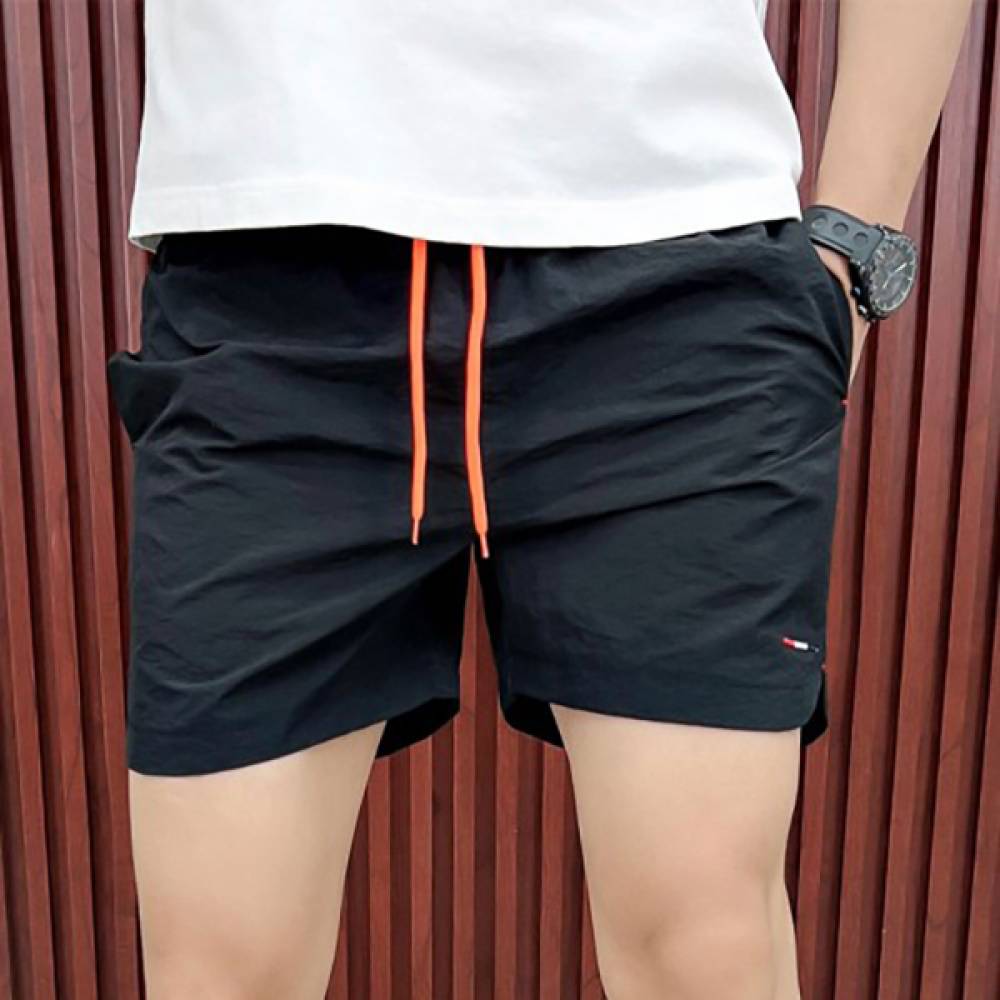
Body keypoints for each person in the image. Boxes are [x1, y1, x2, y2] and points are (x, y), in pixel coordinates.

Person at [106, 1, 973, 996]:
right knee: (221, 967)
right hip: (268, 259)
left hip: (671, 258)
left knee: (704, 951)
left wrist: (854, 253)